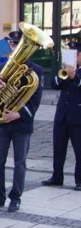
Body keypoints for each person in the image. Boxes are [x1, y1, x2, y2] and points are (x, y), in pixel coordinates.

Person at [0, 30, 43, 212]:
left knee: (19, 162)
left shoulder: (36, 70)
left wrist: (18, 114)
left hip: (21, 123)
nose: (15, 48)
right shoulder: (3, 66)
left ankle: (15, 197)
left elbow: (36, 99)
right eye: (13, 44)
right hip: (1, 122)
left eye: (19, 45)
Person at [42, 40, 81, 191]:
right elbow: (54, 84)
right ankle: (57, 176)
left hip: (77, 117)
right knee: (58, 148)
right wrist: (63, 75)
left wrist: (73, 76)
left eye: (76, 55)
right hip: (61, 116)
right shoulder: (65, 70)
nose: (74, 58)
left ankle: (79, 180)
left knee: (79, 150)